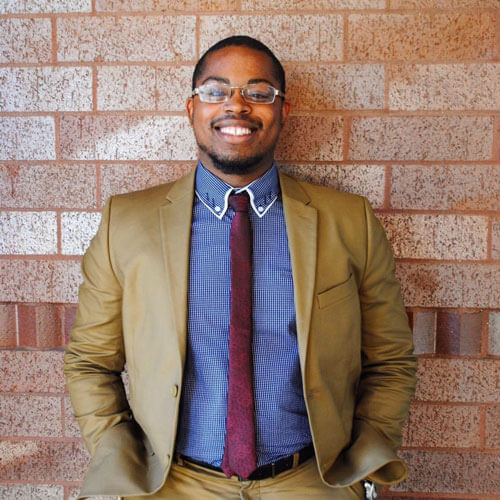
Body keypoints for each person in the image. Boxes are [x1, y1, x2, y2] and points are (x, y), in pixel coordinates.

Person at [64, 36, 417, 500]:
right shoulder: (126, 224)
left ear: (283, 111)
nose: (236, 105)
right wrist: (119, 458)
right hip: (174, 485)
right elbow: (90, 362)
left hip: (312, 482)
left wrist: (365, 465)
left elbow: (390, 360)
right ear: (191, 109)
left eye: (258, 92)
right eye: (215, 91)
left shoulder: (349, 222)